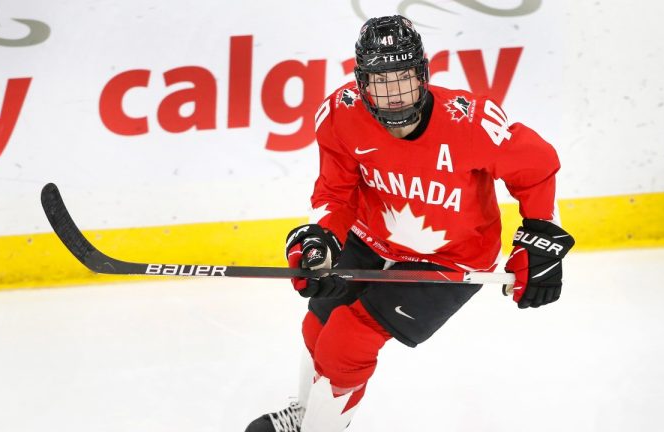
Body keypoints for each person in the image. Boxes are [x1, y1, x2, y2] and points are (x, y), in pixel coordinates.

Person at [245, 15, 575, 432]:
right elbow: (335, 192)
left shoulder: (471, 122)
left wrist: (541, 241)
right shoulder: (339, 115)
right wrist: (321, 239)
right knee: (320, 321)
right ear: (361, 82)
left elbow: (537, 166)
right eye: (381, 81)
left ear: (423, 74)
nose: (395, 94)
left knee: (348, 340)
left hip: (451, 258)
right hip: (371, 236)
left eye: (404, 77)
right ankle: (309, 415)